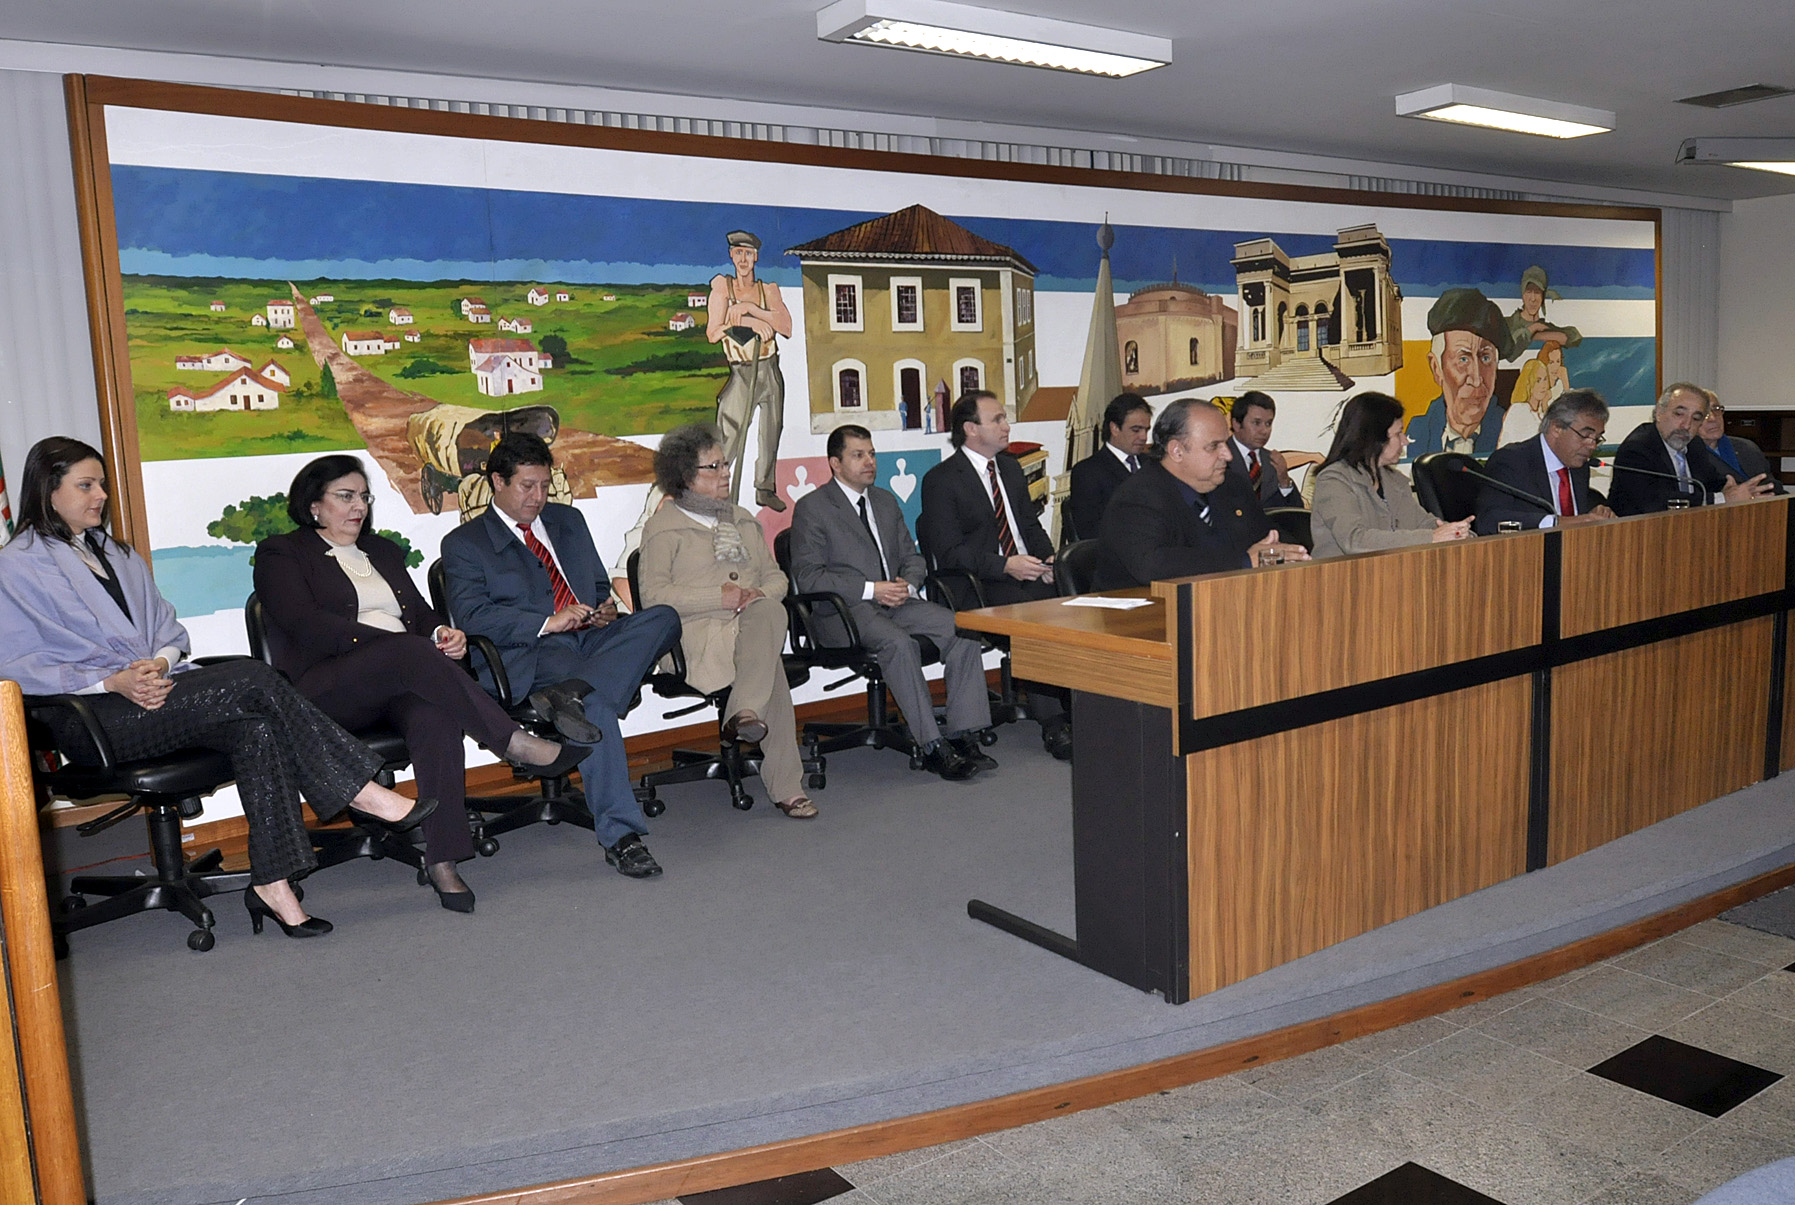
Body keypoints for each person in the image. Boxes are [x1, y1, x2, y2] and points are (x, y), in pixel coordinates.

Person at [0, 437, 437, 939]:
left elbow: (169, 631)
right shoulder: (17, 565)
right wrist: (112, 680)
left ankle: (274, 883)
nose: (101, 494)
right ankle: (361, 791)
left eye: (101, 483)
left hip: (158, 696)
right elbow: (15, 665)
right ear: (48, 490)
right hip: (92, 717)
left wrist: (160, 663)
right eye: (86, 485)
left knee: (256, 731)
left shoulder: (115, 554)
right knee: (253, 677)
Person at [254, 455, 589, 912]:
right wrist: (401, 645)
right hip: (325, 688)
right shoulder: (283, 554)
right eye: (345, 497)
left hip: (395, 680)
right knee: (408, 649)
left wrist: (439, 635)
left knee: (435, 715)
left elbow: (419, 614)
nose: (359, 507)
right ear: (314, 505)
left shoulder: (383, 552)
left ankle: (443, 857)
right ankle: (512, 742)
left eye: (364, 497)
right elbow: (307, 626)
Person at [440, 433, 682, 878]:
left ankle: (570, 694)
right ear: (497, 481)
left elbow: (593, 588)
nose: (538, 497)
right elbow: (473, 617)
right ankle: (622, 837)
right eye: (526, 486)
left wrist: (604, 610)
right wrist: (548, 621)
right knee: (596, 710)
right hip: (533, 650)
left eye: (544, 485)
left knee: (663, 618)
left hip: (589, 639)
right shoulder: (465, 544)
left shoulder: (567, 521)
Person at [789, 424, 992, 782]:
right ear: (835, 463)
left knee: (963, 629)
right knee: (898, 644)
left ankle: (963, 735)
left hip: (897, 601)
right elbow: (809, 577)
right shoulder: (813, 508)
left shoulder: (884, 501)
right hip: (844, 612)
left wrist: (908, 582)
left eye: (871, 454)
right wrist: (871, 589)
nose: (869, 462)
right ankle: (932, 746)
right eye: (858, 455)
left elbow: (911, 556)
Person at [637, 423, 816, 818]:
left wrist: (757, 594)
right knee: (768, 661)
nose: (725, 473)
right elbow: (654, 597)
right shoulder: (663, 528)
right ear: (686, 475)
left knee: (769, 611)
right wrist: (718, 597)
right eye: (713, 467)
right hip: (695, 642)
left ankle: (744, 713)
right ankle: (786, 786)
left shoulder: (743, 519)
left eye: (725, 464)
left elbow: (775, 577)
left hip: (752, 627)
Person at [918, 391, 1070, 761]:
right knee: (1036, 621)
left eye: (1005, 418)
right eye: (997, 419)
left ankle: (1084, 710)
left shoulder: (1012, 468)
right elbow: (951, 552)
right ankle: (1055, 724)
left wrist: (1047, 560)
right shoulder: (941, 480)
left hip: (1023, 573)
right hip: (977, 584)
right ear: (971, 429)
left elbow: (1028, 526)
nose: (1006, 426)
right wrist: (1005, 565)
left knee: (1077, 606)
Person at [1092, 400, 1309, 590]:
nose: (1227, 454)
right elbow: (1151, 565)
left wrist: (1294, 554)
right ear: (1176, 451)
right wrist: (1244, 561)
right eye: (1214, 446)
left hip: (1220, 608)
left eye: (1226, 442)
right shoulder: (1138, 497)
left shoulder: (1231, 486)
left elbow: (1265, 535)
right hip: (1140, 621)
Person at [1309, 392, 1475, 558]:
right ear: (1375, 438)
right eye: (1398, 433)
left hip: (1391, 574)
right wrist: (1431, 537)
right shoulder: (1333, 480)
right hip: (1343, 579)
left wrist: (1458, 533)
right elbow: (1355, 541)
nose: (1405, 441)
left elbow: (1424, 523)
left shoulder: (1394, 480)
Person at [708, 229, 793, 512]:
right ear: (731, 255)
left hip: (768, 366)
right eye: (738, 253)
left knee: (772, 427)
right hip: (741, 369)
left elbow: (786, 326)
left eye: (748, 253)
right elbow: (713, 332)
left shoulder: (768, 290)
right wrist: (746, 324)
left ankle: (765, 488)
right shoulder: (722, 288)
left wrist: (751, 309)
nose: (743, 259)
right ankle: (717, 491)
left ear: (755, 257)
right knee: (729, 433)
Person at [1609, 382, 1772, 515]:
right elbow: (1656, 502)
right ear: (1659, 412)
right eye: (1679, 414)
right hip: (1638, 538)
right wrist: (1722, 498)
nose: (1686, 425)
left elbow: (1710, 481)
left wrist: (1731, 488)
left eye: (1696, 418)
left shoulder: (1694, 445)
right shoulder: (1638, 448)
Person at [1474, 390, 1617, 533]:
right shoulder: (1512, 461)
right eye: (1585, 435)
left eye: (1597, 438)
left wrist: (1594, 513)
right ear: (1556, 428)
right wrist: (1556, 522)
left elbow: (1574, 513)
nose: (1592, 445)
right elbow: (1488, 520)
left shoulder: (1579, 466)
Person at [1404, 288, 1510, 459]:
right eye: (1463, 360)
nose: (1476, 379)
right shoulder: (1417, 433)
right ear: (1436, 368)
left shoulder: (1510, 432)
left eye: (1485, 358)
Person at [1067, 392, 1151, 543]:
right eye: (1136, 430)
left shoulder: (1153, 465)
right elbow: (1090, 532)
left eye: (1146, 430)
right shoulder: (1088, 472)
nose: (1144, 437)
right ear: (1114, 428)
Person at [1698, 391, 1785, 496]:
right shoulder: (1689, 455)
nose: (1713, 418)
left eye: (1716, 409)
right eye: (1704, 413)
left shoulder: (1746, 447)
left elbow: (1772, 485)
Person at [1227, 391, 1303, 506]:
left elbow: (1295, 513)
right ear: (1236, 424)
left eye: (1268, 423)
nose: (1264, 431)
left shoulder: (1273, 462)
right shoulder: (1217, 457)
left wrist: (1284, 481)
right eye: (1256, 423)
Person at [1503, 265, 1582, 358]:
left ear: (1543, 297)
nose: (1533, 299)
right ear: (1523, 294)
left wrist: (1537, 335)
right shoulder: (1506, 324)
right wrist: (1533, 329)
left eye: (1537, 292)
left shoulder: (1545, 327)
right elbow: (1510, 354)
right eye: (1528, 292)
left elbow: (1574, 337)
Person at [1497, 351, 1554, 448]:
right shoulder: (1519, 409)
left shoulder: (1540, 411)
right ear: (1529, 384)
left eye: (1545, 379)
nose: (1543, 386)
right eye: (1538, 381)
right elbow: (1539, 440)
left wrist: (1545, 407)